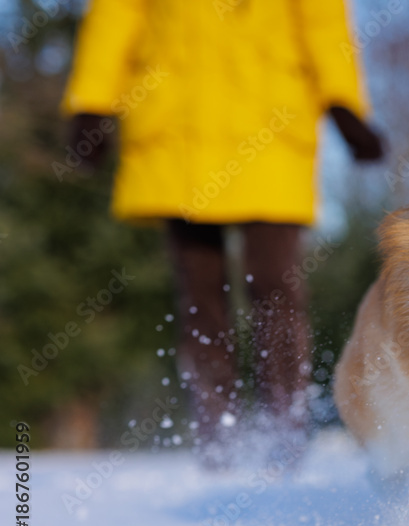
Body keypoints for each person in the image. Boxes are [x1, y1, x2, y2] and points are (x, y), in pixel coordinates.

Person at [62, 0, 383, 468]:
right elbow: (117, 13)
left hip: (271, 120)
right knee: (200, 295)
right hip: (179, 125)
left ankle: (284, 429)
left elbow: (321, 18)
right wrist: (92, 102)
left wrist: (343, 101)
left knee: (275, 284)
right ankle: (218, 435)